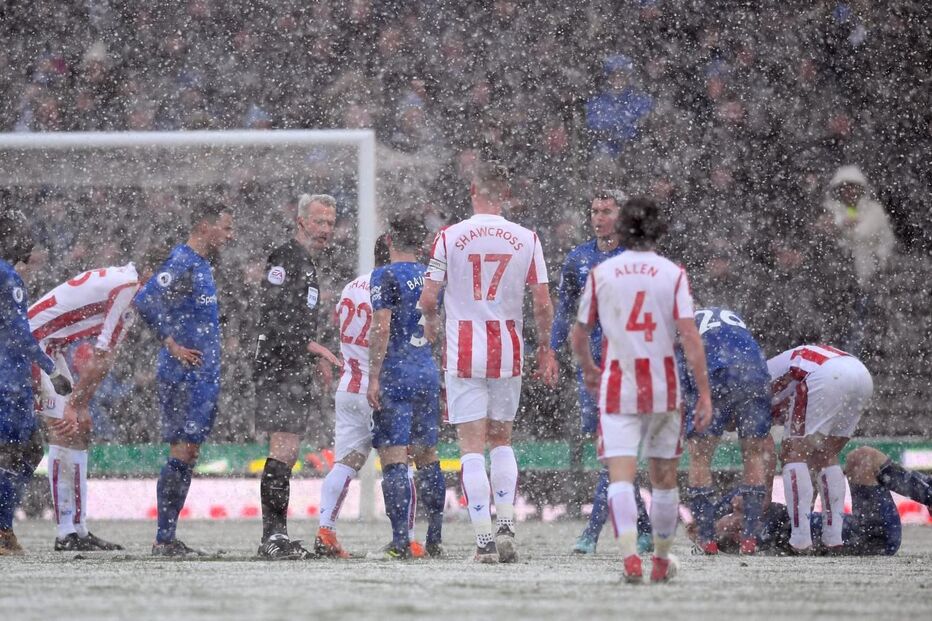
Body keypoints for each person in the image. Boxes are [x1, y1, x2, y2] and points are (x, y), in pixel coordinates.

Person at [420, 160, 558, 563]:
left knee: (470, 448)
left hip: (464, 350)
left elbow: (429, 298)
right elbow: (543, 302)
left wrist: (430, 321)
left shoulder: (450, 236)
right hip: (508, 348)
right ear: (506, 195)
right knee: (502, 440)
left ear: (473, 191)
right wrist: (546, 347)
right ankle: (507, 524)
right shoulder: (526, 238)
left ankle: (483, 541)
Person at [571, 197, 712, 584]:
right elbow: (689, 336)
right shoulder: (672, 273)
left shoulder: (603, 272)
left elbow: (579, 332)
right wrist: (703, 392)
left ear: (622, 229)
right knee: (664, 478)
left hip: (619, 385)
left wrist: (588, 369)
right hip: (663, 387)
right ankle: (661, 561)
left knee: (620, 476)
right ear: (657, 229)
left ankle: (630, 558)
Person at [28, 250, 161, 551]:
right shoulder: (129, 289)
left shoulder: (127, 281)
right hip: (35, 347)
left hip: (47, 346)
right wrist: (77, 404)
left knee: (76, 430)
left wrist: (80, 403)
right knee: (64, 428)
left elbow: (105, 356)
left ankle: (78, 528)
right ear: (151, 271)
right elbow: (103, 355)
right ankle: (66, 533)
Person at [551, 188, 653, 556]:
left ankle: (590, 535)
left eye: (606, 211)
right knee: (611, 453)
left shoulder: (637, 258)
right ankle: (644, 527)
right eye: (594, 210)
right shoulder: (579, 258)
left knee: (613, 451)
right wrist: (551, 349)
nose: (598, 217)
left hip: (627, 366)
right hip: (591, 368)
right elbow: (564, 307)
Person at [133, 199, 234, 557]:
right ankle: (164, 538)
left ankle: (168, 537)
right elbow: (145, 300)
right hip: (184, 373)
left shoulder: (203, 265)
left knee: (189, 452)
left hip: (201, 373)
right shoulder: (181, 261)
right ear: (204, 227)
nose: (230, 233)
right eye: (225, 226)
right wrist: (171, 343)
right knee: (183, 449)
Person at [252, 193, 339, 559]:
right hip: (278, 366)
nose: (325, 230)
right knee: (283, 447)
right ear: (301, 222)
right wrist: (313, 348)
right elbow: (274, 314)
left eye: (330, 223)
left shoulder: (305, 263)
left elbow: (292, 319)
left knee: (289, 449)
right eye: (319, 222)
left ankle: (276, 536)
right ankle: (272, 538)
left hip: (291, 364)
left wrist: (310, 351)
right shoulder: (286, 258)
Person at [366, 216, 445, 560]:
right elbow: (436, 327)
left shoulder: (384, 275)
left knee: (394, 457)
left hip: (396, 373)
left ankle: (400, 541)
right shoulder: (430, 276)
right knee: (427, 454)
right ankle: (435, 538)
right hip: (426, 371)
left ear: (388, 240)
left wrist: (373, 376)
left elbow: (381, 328)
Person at [697, 442, 930, 557]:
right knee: (865, 458)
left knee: (861, 459)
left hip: (865, 529)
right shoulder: (762, 535)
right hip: (873, 537)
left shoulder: (757, 514)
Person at [314, 234, 389, 558]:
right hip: (378, 387)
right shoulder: (392, 287)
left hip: (348, 385)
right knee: (400, 461)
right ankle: (407, 538)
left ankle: (325, 530)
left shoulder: (351, 286)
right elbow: (385, 334)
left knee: (345, 463)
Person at [0, 209, 67, 555]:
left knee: (15, 452)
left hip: (8, 378)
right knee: (20, 452)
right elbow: (18, 334)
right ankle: (2, 530)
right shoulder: (9, 277)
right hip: (7, 381)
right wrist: (50, 369)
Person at [680, 307, 772, 555]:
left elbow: (685, 390)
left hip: (718, 372)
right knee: (753, 455)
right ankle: (750, 538)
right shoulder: (726, 315)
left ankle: (707, 538)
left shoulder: (681, 327)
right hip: (757, 374)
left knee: (699, 457)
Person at [768, 344, 873, 553]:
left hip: (822, 373)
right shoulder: (763, 371)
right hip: (860, 372)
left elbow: (763, 447)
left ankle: (799, 541)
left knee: (792, 453)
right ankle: (833, 540)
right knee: (825, 455)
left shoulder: (749, 388)